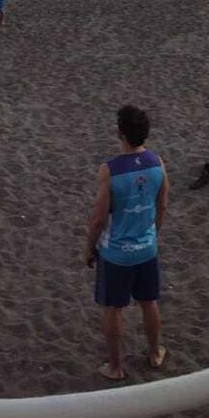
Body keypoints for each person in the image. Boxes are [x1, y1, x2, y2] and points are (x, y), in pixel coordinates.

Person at [82, 104, 169, 381]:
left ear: (121, 134)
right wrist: (153, 234)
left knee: (113, 307)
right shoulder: (158, 164)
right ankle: (155, 353)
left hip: (117, 252)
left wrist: (88, 247)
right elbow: (162, 206)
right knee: (149, 301)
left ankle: (115, 367)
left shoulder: (110, 170)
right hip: (147, 247)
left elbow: (98, 218)